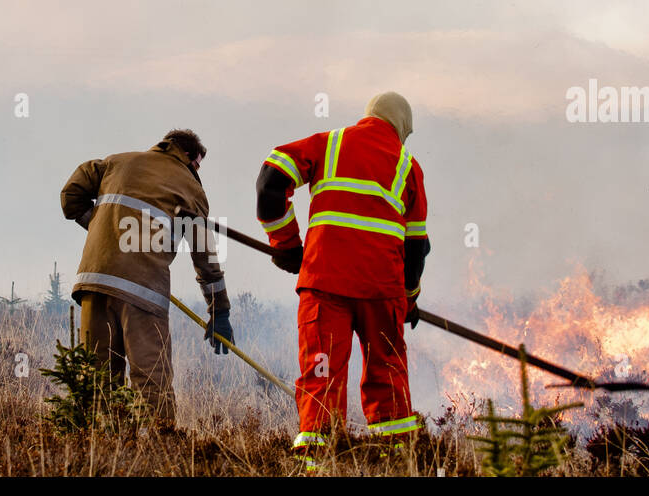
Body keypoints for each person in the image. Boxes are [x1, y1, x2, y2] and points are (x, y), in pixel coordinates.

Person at [255, 91, 430, 471]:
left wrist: (286, 244)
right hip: (382, 293)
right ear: (401, 127)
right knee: (388, 375)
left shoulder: (329, 144)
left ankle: (317, 466)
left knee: (322, 373)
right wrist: (409, 299)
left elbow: (270, 183)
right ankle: (397, 462)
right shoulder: (408, 166)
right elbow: (417, 248)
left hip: (325, 285)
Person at [61, 129, 233, 428]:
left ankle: (96, 453)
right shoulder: (189, 187)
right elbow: (204, 256)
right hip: (143, 291)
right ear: (191, 157)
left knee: (98, 378)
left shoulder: (115, 163)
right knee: (151, 379)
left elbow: (70, 197)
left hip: (94, 282)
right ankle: (158, 454)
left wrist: (104, 230)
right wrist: (220, 310)